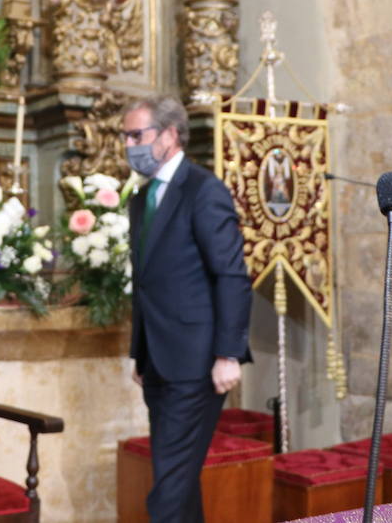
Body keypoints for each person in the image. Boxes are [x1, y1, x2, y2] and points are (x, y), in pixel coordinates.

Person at [124, 94, 253, 523]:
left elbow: (231, 274)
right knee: (175, 475)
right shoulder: (141, 199)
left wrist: (228, 353)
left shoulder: (203, 190)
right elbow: (146, 283)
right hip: (158, 361)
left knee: (169, 488)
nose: (129, 146)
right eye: (125, 136)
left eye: (137, 135)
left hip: (197, 360)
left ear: (170, 134)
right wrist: (140, 351)